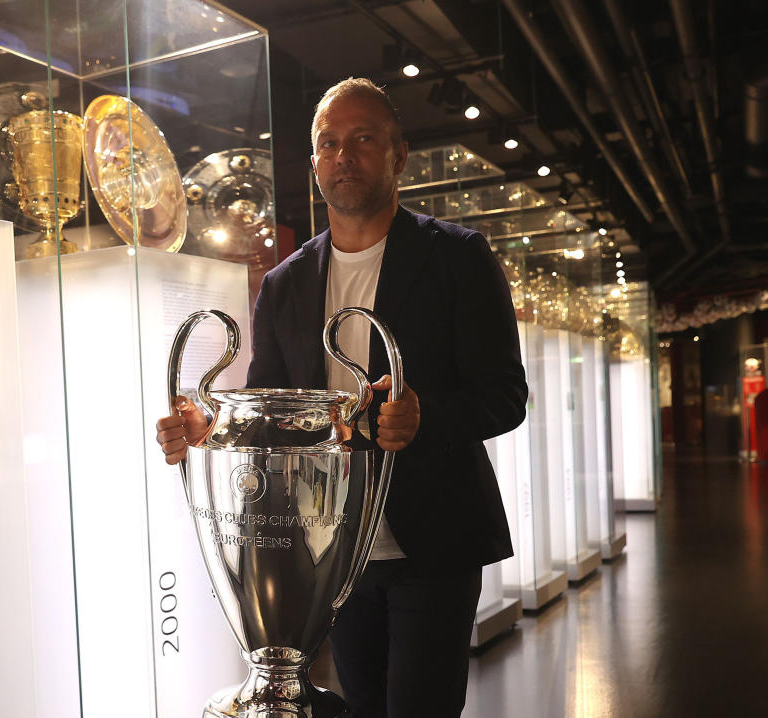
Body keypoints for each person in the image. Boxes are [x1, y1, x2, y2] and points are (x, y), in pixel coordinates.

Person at [157, 77, 527, 718]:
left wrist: (424, 416)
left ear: (398, 154)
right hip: (329, 545)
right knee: (361, 707)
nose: (344, 155)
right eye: (329, 143)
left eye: (362, 139)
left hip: (434, 540)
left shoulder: (458, 258)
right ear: (313, 164)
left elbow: (505, 395)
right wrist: (211, 425)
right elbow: (271, 406)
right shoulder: (285, 281)